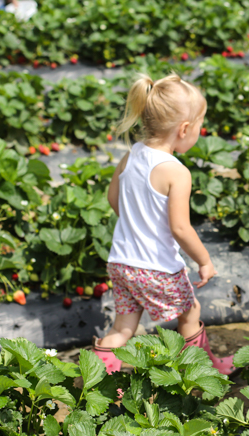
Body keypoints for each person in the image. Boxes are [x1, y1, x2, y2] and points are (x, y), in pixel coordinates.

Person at [92, 74, 234, 375]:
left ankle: (99, 378)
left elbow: (113, 199)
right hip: (155, 267)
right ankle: (201, 373)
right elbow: (180, 228)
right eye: (199, 125)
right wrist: (204, 261)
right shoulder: (176, 172)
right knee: (190, 311)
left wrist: (136, 221)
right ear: (184, 129)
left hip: (121, 263)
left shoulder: (130, 156)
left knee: (123, 326)